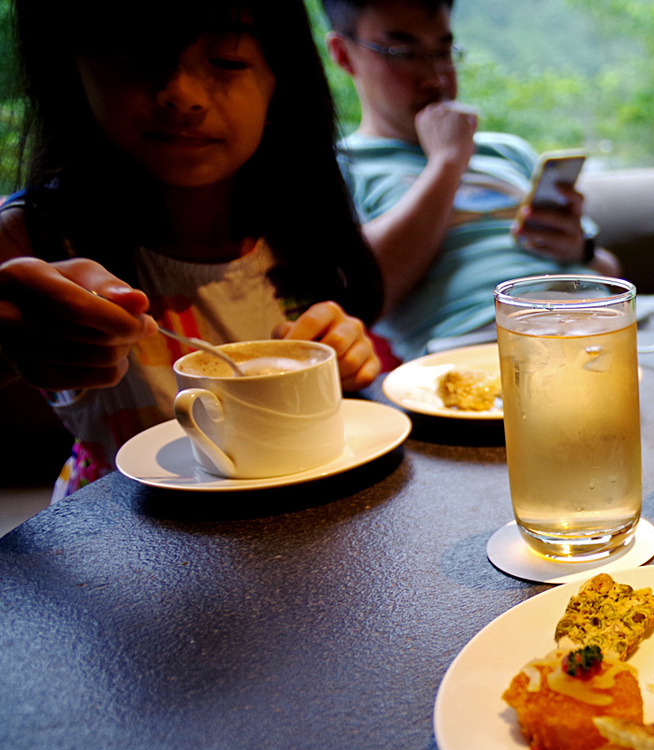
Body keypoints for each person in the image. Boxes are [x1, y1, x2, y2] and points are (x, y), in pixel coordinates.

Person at [0, 0, 384, 498]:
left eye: (227, 61)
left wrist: (344, 364)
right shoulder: (33, 239)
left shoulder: (301, 235)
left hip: (285, 525)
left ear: (279, 82)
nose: (182, 95)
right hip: (116, 537)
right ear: (71, 69)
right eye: (137, 56)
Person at [321, 0, 621, 361]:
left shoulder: (509, 151)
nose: (436, 78)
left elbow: (610, 272)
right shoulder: (340, 168)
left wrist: (580, 250)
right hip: (479, 348)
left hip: (611, 324)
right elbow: (362, 299)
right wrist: (447, 162)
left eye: (444, 51)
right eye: (403, 52)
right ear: (342, 53)